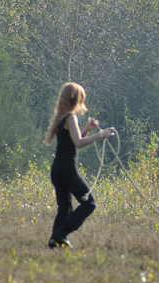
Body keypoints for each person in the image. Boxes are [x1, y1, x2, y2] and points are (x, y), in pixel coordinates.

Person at [44, 82, 116, 249]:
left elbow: (73, 142)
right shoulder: (71, 118)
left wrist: (86, 130)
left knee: (64, 209)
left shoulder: (62, 117)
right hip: (67, 170)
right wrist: (100, 135)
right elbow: (78, 143)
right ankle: (61, 233)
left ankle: (55, 240)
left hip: (57, 170)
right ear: (75, 99)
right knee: (89, 204)